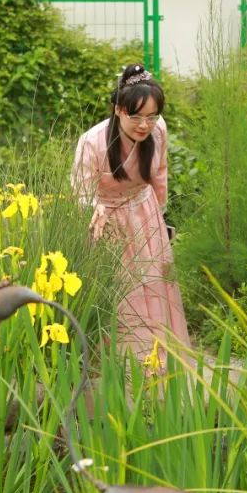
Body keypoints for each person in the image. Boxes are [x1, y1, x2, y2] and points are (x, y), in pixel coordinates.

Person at [71, 64, 190, 365]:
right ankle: (117, 365)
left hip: (144, 213)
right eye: (135, 116)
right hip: (105, 222)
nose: (144, 125)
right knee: (119, 295)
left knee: (153, 286)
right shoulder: (93, 141)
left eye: (152, 116)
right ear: (118, 109)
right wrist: (92, 207)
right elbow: (80, 189)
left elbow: (159, 175)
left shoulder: (158, 132)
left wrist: (161, 221)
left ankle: (158, 359)